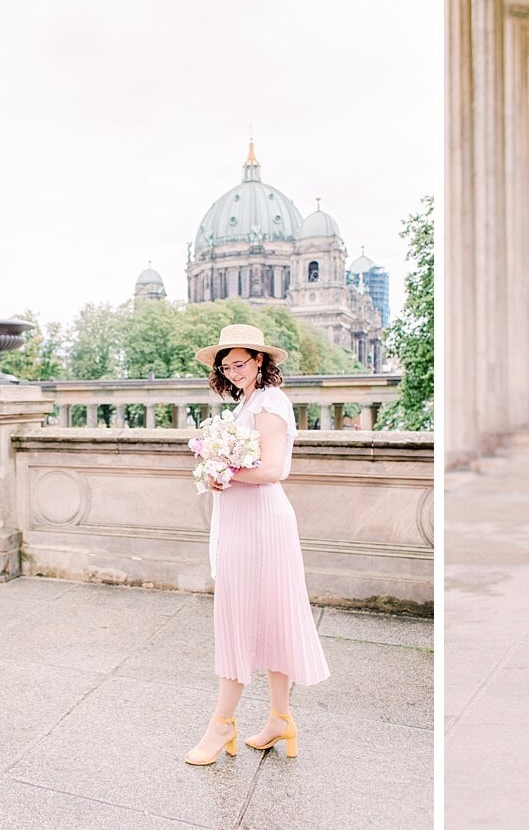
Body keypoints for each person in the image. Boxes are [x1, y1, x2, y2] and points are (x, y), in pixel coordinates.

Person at [184, 324, 330, 764]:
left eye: (241, 364)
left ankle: (220, 725)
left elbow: (273, 469)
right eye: (226, 367)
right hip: (242, 519)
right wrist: (217, 468)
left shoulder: (270, 403)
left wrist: (222, 473)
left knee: (249, 618)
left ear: (260, 361)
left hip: (263, 523)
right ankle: (280, 719)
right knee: (262, 617)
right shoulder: (246, 402)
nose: (233, 372)